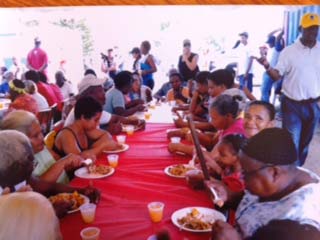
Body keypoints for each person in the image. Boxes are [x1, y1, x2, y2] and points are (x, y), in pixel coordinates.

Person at [207, 128, 320, 239]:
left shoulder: (301, 220)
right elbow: (254, 204)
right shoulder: (283, 177)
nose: (242, 177)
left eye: (246, 173)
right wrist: (229, 196)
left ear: (275, 173)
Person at [256, 13, 320, 165]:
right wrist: (266, 65)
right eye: (309, 29)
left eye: (316, 28)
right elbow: (276, 76)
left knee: (305, 144)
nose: (313, 32)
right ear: (300, 29)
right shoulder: (289, 52)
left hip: (313, 105)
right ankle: (291, 173)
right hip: (292, 104)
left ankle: (297, 169)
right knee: (291, 142)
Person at [0, 130, 100, 217]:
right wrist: (49, 212)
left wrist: (81, 191)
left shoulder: (18, 173)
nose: (33, 165)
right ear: (16, 166)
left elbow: (46, 186)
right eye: (30, 161)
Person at [1, 110, 83, 184]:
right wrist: (63, 163)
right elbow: (37, 187)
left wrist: (71, 163)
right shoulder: (16, 164)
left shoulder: (41, 148)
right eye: (35, 136)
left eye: (41, 132)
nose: (42, 138)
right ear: (18, 140)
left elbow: (61, 167)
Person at [65, 73, 145, 135]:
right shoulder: (83, 110)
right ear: (89, 95)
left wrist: (136, 122)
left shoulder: (93, 108)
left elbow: (116, 118)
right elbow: (85, 139)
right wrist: (107, 131)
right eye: (100, 91)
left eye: (103, 90)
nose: (104, 93)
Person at [54, 96, 121, 160]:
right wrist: (101, 147)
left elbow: (107, 135)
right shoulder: (66, 135)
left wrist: (92, 151)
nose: (97, 123)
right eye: (95, 120)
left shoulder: (86, 129)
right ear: (83, 117)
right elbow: (78, 160)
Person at [260, 28, 285, 103]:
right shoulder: (272, 49)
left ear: (273, 43)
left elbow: (277, 38)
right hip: (270, 72)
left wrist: (282, 32)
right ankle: (268, 105)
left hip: (271, 72)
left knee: (264, 91)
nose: (269, 44)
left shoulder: (277, 48)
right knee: (268, 91)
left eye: (270, 43)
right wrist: (277, 29)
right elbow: (269, 35)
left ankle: (265, 105)